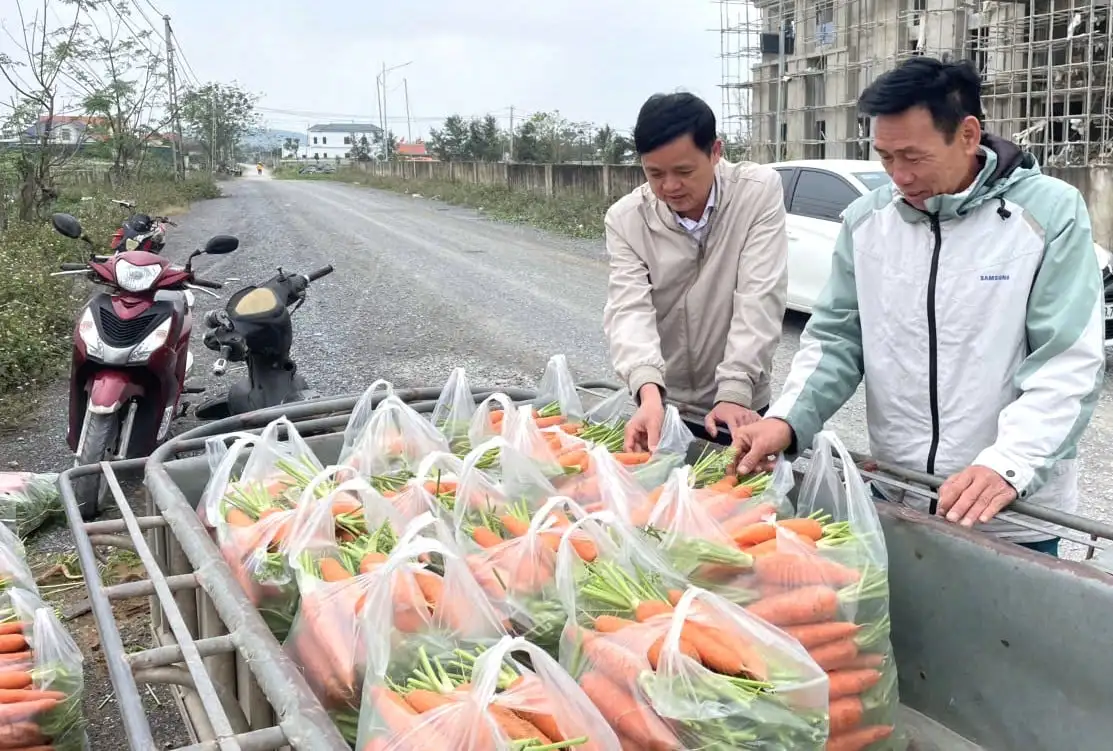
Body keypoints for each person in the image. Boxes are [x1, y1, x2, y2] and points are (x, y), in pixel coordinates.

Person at [731, 57, 1105, 556]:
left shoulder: (1047, 213)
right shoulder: (868, 222)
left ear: (968, 135)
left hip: (1006, 506)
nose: (899, 176)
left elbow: (1067, 362)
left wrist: (1008, 464)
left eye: (913, 156)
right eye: (885, 157)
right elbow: (837, 339)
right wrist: (787, 419)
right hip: (899, 488)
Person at [603, 92, 789, 452]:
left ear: (715, 152)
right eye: (654, 173)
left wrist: (736, 389)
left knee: (736, 497)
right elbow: (629, 310)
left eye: (684, 171)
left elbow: (760, 297)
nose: (669, 186)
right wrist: (647, 390)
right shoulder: (627, 220)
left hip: (739, 404)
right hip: (664, 402)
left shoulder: (756, 193)